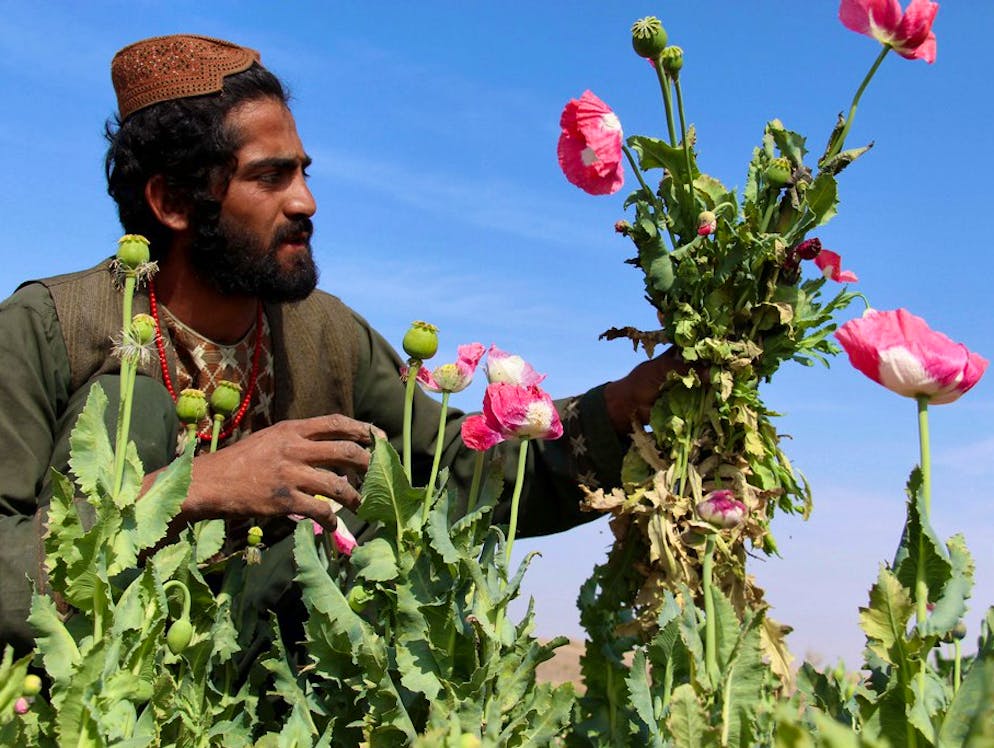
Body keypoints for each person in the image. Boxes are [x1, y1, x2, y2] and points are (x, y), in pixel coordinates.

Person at [0, 34, 674, 656]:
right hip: (81, 696)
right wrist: (187, 490)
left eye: (304, 173)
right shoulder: (49, 329)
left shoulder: (325, 336)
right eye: (270, 177)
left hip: (268, 702)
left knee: (372, 517)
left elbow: (451, 475)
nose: (307, 203)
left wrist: (621, 410)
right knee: (132, 408)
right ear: (173, 202)